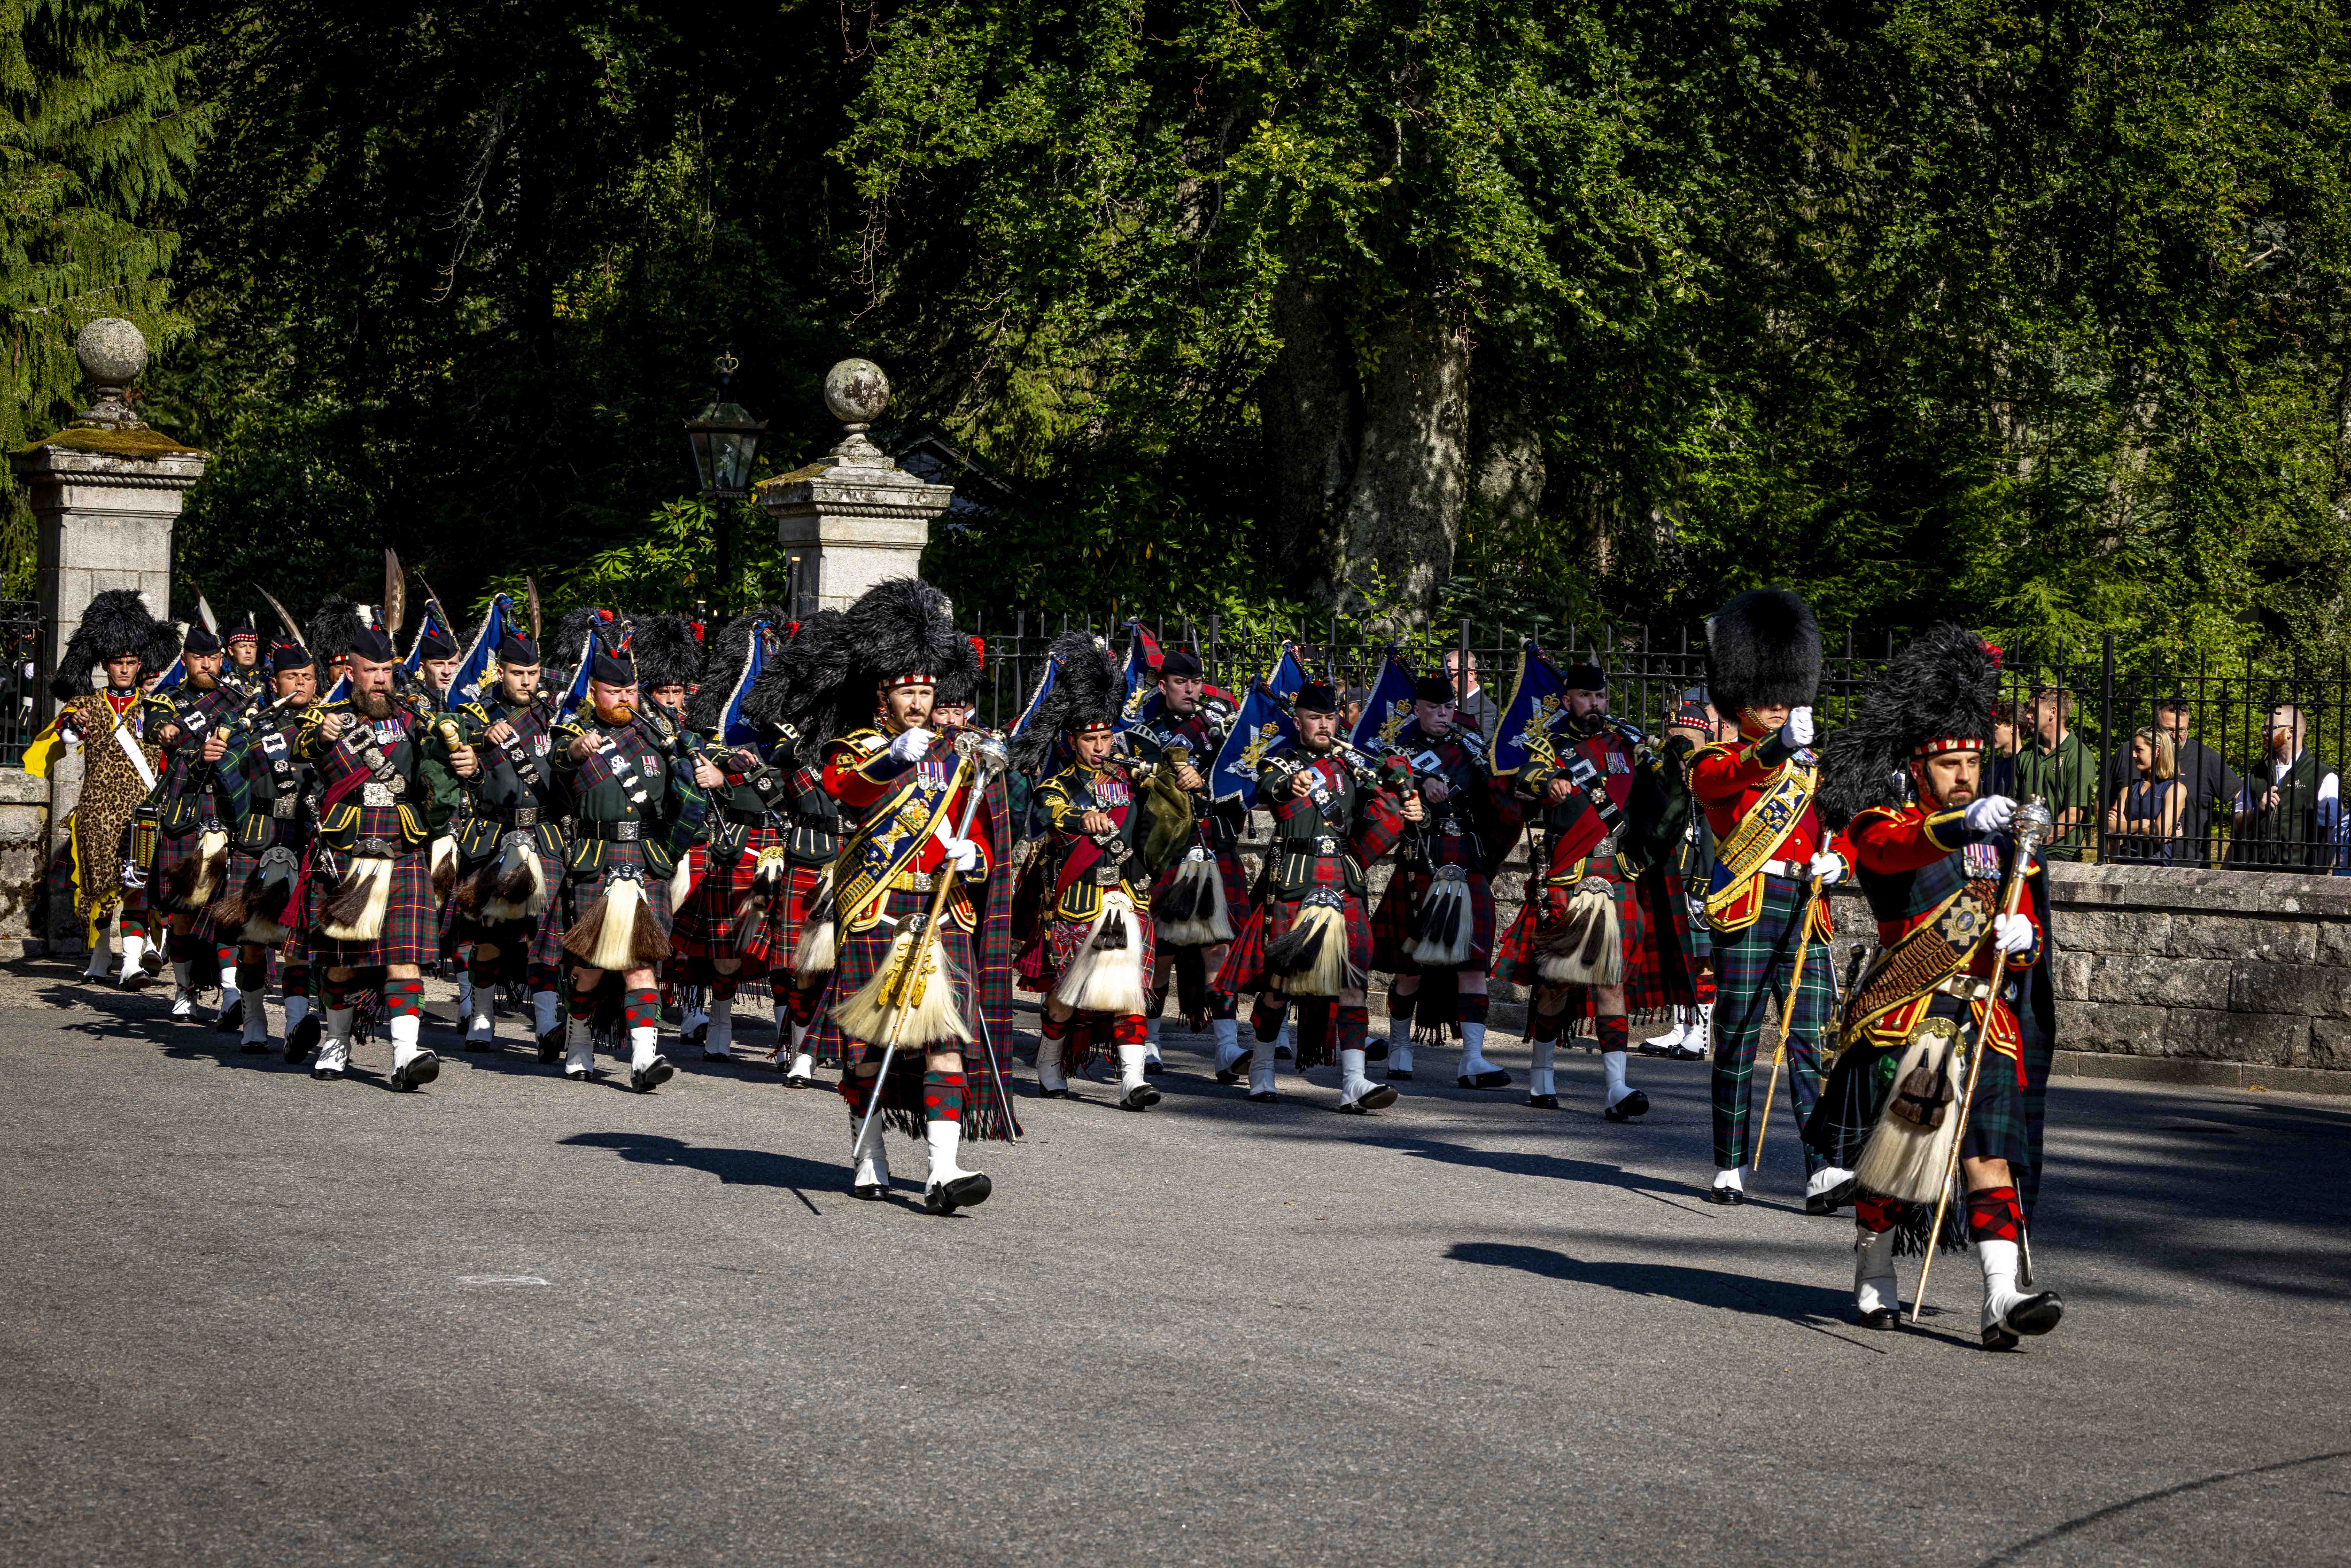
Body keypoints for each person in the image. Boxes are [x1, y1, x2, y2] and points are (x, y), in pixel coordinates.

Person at [1810, 625, 2063, 1348]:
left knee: (1989, 1156)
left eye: (1971, 763)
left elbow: (2024, 930)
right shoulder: (1885, 823)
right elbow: (1889, 856)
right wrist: (1956, 825)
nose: (1964, 776)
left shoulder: (2009, 840)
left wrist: (2024, 943)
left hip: (1982, 1015)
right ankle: (1874, 1272)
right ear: (1918, 768)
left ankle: (2001, 1296)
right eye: (1949, 763)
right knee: (1895, 1164)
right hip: (1907, 1014)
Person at [786, 579, 1015, 1212]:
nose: (919, 702)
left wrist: (976, 858)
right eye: (907, 691)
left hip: (941, 913)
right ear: (882, 695)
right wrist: (890, 760)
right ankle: (869, 1154)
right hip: (879, 911)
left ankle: (943, 1170)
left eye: (926, 691)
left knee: (946, 1046)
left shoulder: (962, 758)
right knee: (869, 1053)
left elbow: (984, 834)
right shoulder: (857, 747)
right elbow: (849, 792)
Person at [1685, 592, 1855, 1210]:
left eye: (1785, 695)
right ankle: (1729, 1164)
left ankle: (1821, 1167)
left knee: (1809, 1038)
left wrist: (1843, 861)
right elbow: (1721, 783)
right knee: (1736, 1038)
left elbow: (1850, 825)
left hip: (1806, 902)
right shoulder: (1719, 758)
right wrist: (1776, 746)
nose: (1778, 705)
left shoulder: (1815, 764)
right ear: (1740, 701)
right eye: (1766, 697)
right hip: (1749, 903)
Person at [1490, 656, 1695, 1119]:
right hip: (1570, 877)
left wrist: (1675, 758)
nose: (1595, 703)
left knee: (1611, 980)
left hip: (1618, 874)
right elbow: (1525, 778)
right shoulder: (1551, 744)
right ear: (1568, 700)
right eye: (1585, 696)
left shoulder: (1624, 741)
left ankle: (1616, 1088)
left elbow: (1656, 784)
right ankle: (1541, 1077)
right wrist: (1551, 782)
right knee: (1557, 985)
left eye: (1600, 695)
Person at [1216, 678, 1418, 1111]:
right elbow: (1268, 786)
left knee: (1353, 984)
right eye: (1315, 718)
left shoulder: (1352, 766)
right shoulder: (1281, 762)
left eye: (1330, 718)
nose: (1324, 726)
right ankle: (1263, 1068)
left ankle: (1354, 1083)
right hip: (1296, 879)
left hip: (1342, 882)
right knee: (1279, 986)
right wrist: (1294, 784)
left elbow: (1378, 810)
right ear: (1299, 722)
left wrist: (1413, 809)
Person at [1017, 628, 1190, 1110]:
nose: (1100, 746)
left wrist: (1177, 781)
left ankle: (1132, 1081)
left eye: (1106, 736)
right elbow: (1048, 812)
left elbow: (1168, 818)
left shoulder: (1132, 775)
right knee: (1068, 994)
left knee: (1130, 990)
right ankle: (1050, 1061)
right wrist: (1081, 817)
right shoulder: (1058, 782)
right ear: (1071, 740)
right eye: (1090, 739)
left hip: (1129, 896)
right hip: (1079, 900)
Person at [296, 620, 468, 1088]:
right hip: (348, 845)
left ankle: (406, 1053)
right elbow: (303, 744)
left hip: (402, 841)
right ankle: (335, 1040)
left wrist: (466, 767)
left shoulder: (416, 718)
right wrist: (325, 735)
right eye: (370, 670)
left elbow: (440, 775)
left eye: (386, 670)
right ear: (350, 671)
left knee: (404, 955)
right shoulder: (327, 714)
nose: (379, 678)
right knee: (339, 960)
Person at [534, 629, 702, 1088]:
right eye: (614, 691)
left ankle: (645, 1058)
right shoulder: (573, 732)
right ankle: (581, 1042)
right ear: (595, 692)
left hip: (646, 858)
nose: (624, 699)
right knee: (588, 966)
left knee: (642, 961)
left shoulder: (660, 736)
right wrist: (575, 750)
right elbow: (559, 762)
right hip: (597, 858)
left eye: (630, 690)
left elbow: (694, 769)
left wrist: (711, 771)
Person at [1367, 671, 1517, 1088]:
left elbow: (1498, 800)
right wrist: (1418, 781)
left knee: (1473, 964)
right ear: (1417, 709)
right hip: (1423, 860)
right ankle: (1399, 1046)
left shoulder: (1471, 746)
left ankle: (1472, 1060)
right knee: (1410, 965)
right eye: (1434, 708)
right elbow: (1384, 774)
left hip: (1466, 860)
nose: (1442, 715)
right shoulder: (1402, 748)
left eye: (1448, 707)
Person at [24, 590, 170, 985]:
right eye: (118, 663)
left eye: (131, 663)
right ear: (106, 664)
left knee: (138, 886)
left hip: (144, 809)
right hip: (98, 810)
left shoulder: (158, 706)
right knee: (100, 888)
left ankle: (133, 963)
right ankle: (103, 953)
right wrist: (74, 725)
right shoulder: (87, 702)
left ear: (141, 664)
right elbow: (65, 735)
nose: (124, 669)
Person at [671, 610, 795, 1064]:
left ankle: (786, 1038)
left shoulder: (800, 731)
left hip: (787, 844)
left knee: (786, 950)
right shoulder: (723, 728)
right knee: (725, 949)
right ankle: (719, 1023)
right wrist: (718, 772)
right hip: (740, 842)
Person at [191, 637, 322, 1056]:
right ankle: (253, 1018)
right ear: (275, 680)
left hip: (305, 835)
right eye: (291, 677)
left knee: (298, 941)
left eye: (307, 677)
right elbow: (227, 777)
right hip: (259, 833)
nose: (300, 685)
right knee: (252, 939)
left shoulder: (330, 724)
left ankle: (299, 1023)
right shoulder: (253, 724)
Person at [442, 624, 567, 1053]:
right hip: (495, 832)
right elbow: (460, 764)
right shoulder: (478, 716)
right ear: (501, 673)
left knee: (547, 932)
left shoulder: (556, 716)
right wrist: (478, 744)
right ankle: (481, 1014)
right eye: (518, 674)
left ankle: (549, 1023)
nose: (528, 682)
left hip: (546, 833)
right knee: (487, 931)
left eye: (534, 673)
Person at [1128, 646, 1249, 1077]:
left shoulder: (1222, 726)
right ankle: (1150, 1042)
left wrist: (1212, 778)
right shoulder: (1144, 728)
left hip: (1211, 842)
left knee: (1219, 947)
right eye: (1181, 683)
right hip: (1166, 847)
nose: (1191, 690)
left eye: (1196, 683)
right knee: (1161, 948)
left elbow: (1240, 773)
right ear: (1163, 686)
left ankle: (1227, 1047)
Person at [742, 612, 852, 1086]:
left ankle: (848, 1050)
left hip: (860, 859)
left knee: (855, 965)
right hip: (808, 854)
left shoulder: (870, 742)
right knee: (802, 966)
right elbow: (772, 799)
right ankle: (803, 1051)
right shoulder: (790, 750)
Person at [146, 621, 255, 1025]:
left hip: (229, 812)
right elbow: (161, 729)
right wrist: (173, 732)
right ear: (186, 660)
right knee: (184, 909)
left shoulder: (239, 699)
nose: (205, 664)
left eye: (212, 657)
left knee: (228, 908)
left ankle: (230, 993)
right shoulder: (168, 700)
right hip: (186, 810)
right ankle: (184, 988)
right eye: (197, 658)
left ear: (221, 658)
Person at [1642, 694, 1718, 1061]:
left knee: (1700, 957)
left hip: (1696, 880)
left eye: (1677, 732)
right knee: (1677, 953)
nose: (1670, 738)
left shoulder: (1706, 770)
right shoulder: (1671, 770)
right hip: (1672, 872)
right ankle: (1680, 1028)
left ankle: (1700, 1035)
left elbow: (1712, 836)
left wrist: (1702, 886)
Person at [2229, 703, 2341, 870]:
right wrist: (2257, 811)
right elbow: (2238, 824)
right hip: (2255, 872)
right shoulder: (2257, 773)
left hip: (2299, 874)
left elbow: (2329, 836)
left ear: (2291, 731)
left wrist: (2319, 878)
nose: (2264, 733)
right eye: (2264, 727)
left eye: (2270, 728)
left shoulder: (2323, 776)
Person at [2011, 686, 2096, 861]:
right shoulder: (2028, 752)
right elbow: (2015, 803)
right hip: (2024, 848)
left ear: (2053, 712)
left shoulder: (2079, 756)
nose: (2028, 715)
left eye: (2034, 710)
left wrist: (2037, 841)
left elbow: (2073, 816)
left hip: (2060, 853)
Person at [2104, 729, 2184, 865]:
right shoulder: (2129, 788)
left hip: (2157, 865)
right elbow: (2109, 828)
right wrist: (2142, 824)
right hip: (2125, 861)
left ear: (2157, 751)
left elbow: (2160, 836)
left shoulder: (2175, 789)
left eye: (2139, 750)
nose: (2134, 755)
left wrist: (2125, 827)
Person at [1443, 649, 1500, 738]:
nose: (1445, 681)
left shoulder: (1487, 711)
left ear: (1471, 675)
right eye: (1442, 675)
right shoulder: (1442, 703)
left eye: (1450, 676)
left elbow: (1475, 747)